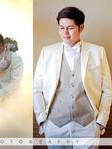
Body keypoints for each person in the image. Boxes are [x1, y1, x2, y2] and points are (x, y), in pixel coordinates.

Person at [33, 6, 112, 148]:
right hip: (55, 126)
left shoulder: (98, 52)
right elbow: (37, 89)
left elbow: (107, 89)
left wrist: (101, 121)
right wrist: (42, 121)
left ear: (81, 27)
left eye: (70, 28)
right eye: (61, 28)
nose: (65, 33)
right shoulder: (47, 52)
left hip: (87, 126)